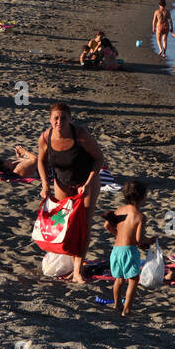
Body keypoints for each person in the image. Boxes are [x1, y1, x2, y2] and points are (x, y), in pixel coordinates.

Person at [36, 102, 107, 284]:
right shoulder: (45, 138)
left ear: (70, 119)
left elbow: (99, 159)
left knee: (83, 225)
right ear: (50, 120)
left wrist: (88, 183)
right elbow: (41, 161)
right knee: (62, 223)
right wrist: (45, 185)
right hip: (62, 183)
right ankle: (65, 262)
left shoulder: (80, 135)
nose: (59, 121)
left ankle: (77, 270)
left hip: (87, 182)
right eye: (56, 118)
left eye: (63, 118)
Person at [104, 180, 156, 318]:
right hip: (129, 251)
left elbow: (107, 226)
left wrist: (119, 234)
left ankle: (116, 305)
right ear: (143, 197)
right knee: (133, 280)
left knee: (119, 279)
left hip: (116, 250)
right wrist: (150, 240)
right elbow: (139, 239)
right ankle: (127, 309)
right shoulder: (140, 216)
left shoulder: (119, 210)